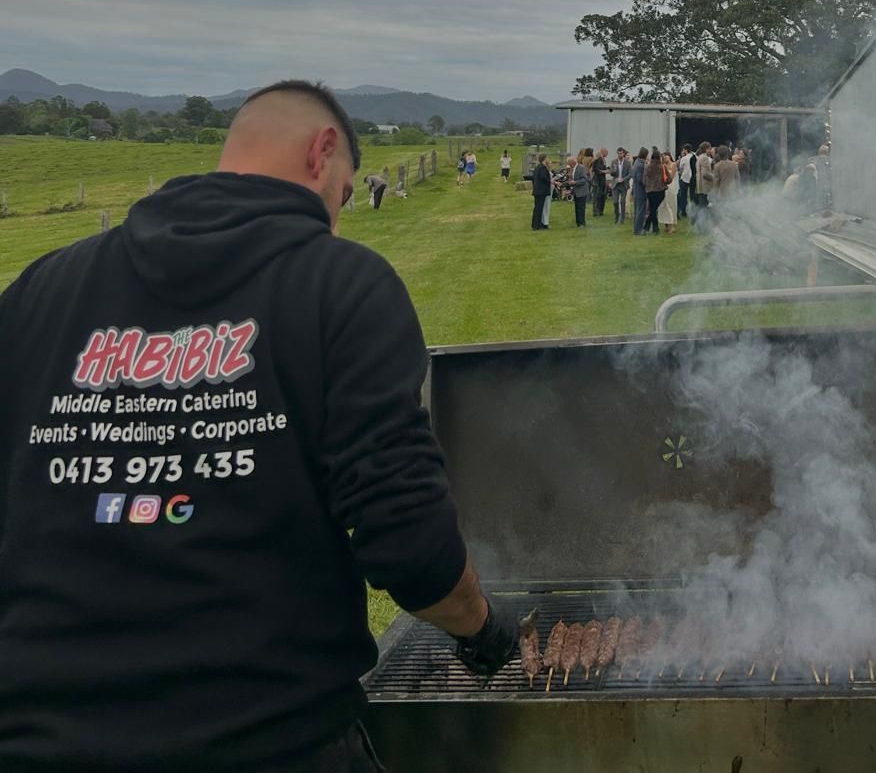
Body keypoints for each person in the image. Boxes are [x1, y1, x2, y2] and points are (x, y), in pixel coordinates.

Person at [0, 80, 518, 773]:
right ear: (323, 151)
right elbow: (407, 541)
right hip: (268, 740)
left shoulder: (41, 289)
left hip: (43, 741)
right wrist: (482, 627)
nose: (337, 220)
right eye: (342, 196)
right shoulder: (340, 283)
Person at [643, 148, 666, 233]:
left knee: (652, 209)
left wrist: (647, 186)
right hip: (660, 191)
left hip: (650, 191)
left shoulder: (648, 167)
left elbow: (644, 179)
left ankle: (648, 226)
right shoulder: (662, 167)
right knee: (653, 209)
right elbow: (668, 179)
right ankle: (654, 228)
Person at [610, 148, 632, 226]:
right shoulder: (614, 162)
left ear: (623, 154)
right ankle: (617, 216)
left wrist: (624, 179)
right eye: (618, 153)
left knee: (623, 201)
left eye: (621, 153)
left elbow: (630, 174)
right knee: (615, 201)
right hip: (615, 184)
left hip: (623, 184)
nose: (620, 155)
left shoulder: (628, 163)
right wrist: (613, 171)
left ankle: (622, 218)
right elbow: (611, 173)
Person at [531, 152, 552, 230]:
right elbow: (544, 178)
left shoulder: (537, 167)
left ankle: (535, 223)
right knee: (539, 208)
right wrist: (550, 181)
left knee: (537, 208)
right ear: (544, 159)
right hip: (541, 191)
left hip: (537, 190)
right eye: (547, 158)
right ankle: (537, 225)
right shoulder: (542, 168)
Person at [660, 152, 679, 233]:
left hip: (671, 187)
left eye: (666, 156)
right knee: (664, 206)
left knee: (671, 205)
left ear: (669, 156)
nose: (665, 158)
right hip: (663, 187)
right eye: (664, 157)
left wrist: (666, 172)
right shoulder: (662, 166)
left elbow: (671, 177)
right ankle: (666, 224)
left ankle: (672, 225)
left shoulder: (673, 164)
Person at [631, 147, 649, 235]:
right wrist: (647, 184)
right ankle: (638, 230)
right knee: (641, 211)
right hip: (641, 191)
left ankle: (636, 228)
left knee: (637, 210)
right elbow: (640, 179)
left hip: (635, 190)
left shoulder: (636, 162)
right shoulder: (641, 165)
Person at [570, 154, 590, 227]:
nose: (569, 165)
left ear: (573, 162)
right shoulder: (573, 169)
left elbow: (584, 179)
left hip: (582, 191)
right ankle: (578, 222)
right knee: (577, 207)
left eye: (569, 163)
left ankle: (582, 223)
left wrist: (575, 182)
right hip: (576, 191)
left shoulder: (581, 168)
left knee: (581, 207)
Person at [676, 143, 694, 222]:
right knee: (692, 195)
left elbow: (681, 169)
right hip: (692, 178)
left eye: (683, 150)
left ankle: (683, 211)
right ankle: (692, 210)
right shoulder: (694, 156)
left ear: (686, 150)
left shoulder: (684, 158)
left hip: (685, 178)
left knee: (683, 196)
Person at [591, 148, 609, 218]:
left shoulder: (603, 160)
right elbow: (596, 170)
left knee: (602, 196)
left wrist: (607, 169)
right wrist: (604, 171)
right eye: (606, 152)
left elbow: (602, 168)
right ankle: (596, 211)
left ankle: (600, 211)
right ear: (602, 152)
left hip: (602, 181)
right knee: (597, 196)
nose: (607, 154)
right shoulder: (597, 160)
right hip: (597, 181)